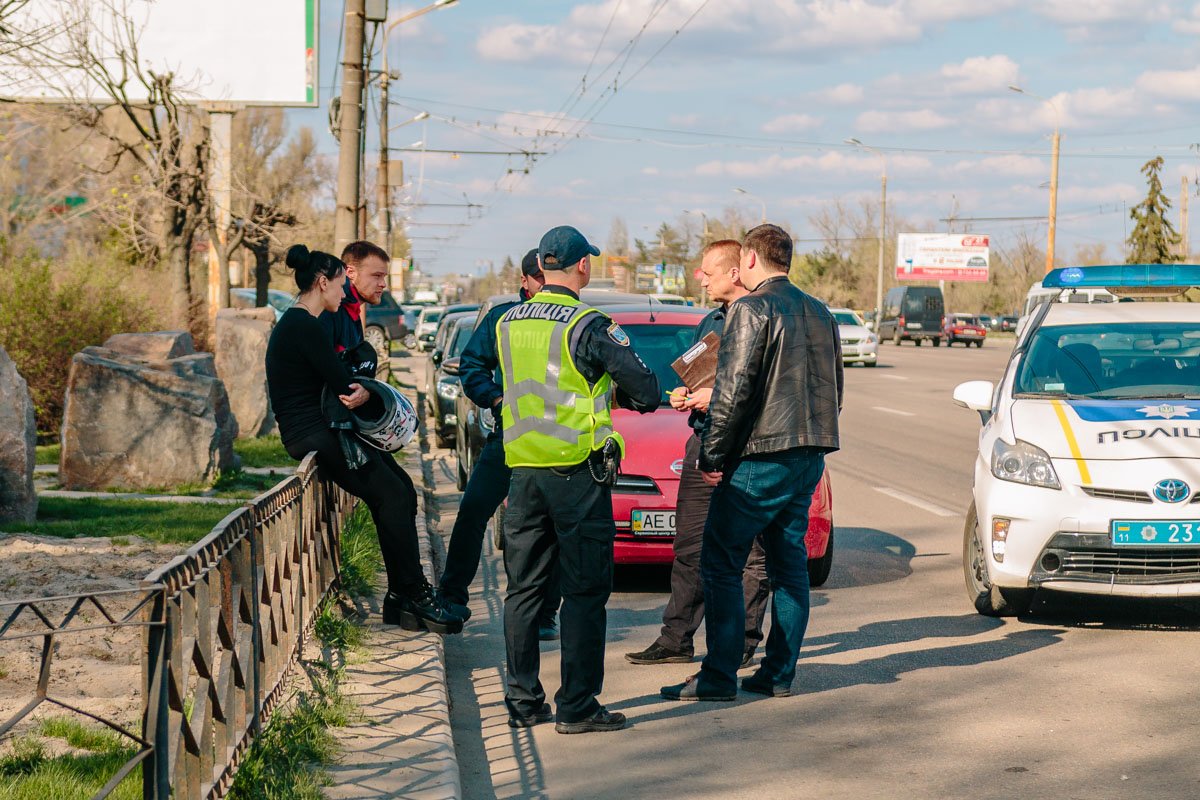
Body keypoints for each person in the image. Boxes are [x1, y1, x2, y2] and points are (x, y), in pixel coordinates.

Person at [661, 223, 842, 702]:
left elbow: (734, 390)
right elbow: (835, 391)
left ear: (752, 262)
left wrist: (714, 455)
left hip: (760, 457)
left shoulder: (751, 308)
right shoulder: (822, 312)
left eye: (739, 262)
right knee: (789, 569)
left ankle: (719, 676)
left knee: (720, 563)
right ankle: (778, 674)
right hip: (809, 455)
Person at [498, 226, 660, 734]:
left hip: (522, 473)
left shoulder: (508, 321)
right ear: (582, 266)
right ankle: (577, 706)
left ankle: (523, 703)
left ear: (541, 268)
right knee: (586, 592)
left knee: (523, 591)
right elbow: (646, 390)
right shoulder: (589, 324)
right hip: (577, 475)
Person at [266, 244, 463, 635]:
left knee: (402, 489)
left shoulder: (304, 322)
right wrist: (365, 383)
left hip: (324, 428)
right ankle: (414, 596)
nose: (344, 294)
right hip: (313, 433)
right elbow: (344, 385)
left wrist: (361, 381)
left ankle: (400, 598)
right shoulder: (305, 325)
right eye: (340, 285)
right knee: (389, 494)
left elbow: (345, 378)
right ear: (323, 283)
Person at [624, 240, 770, 668]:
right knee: (689, 545)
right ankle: (676, 639)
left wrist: (716, 397)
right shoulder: (711, 319)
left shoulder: (763, 318)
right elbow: (697, 365)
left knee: (751, 553)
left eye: (707, 271)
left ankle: (741, 645)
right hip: (703, 441)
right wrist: (688, 392)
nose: (700, 278)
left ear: (734, 272)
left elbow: (763, 387)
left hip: (748, 448)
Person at [438, 248, 562, 640]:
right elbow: (471, 365)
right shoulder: (502, 318)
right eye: (538, 278)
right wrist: (494, 398)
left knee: (549, 528)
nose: (545, 285)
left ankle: (544, 613)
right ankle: (452, 597)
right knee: (473, 511)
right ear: (525, 282)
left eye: (549, 277)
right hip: (508, 438)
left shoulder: (571, 319)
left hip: (558, 441)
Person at [319, 240, 391, 354]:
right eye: (377, 276)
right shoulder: (331, 310)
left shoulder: (351, 310)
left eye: (384, 277)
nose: (383, 284)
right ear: (350, 272)